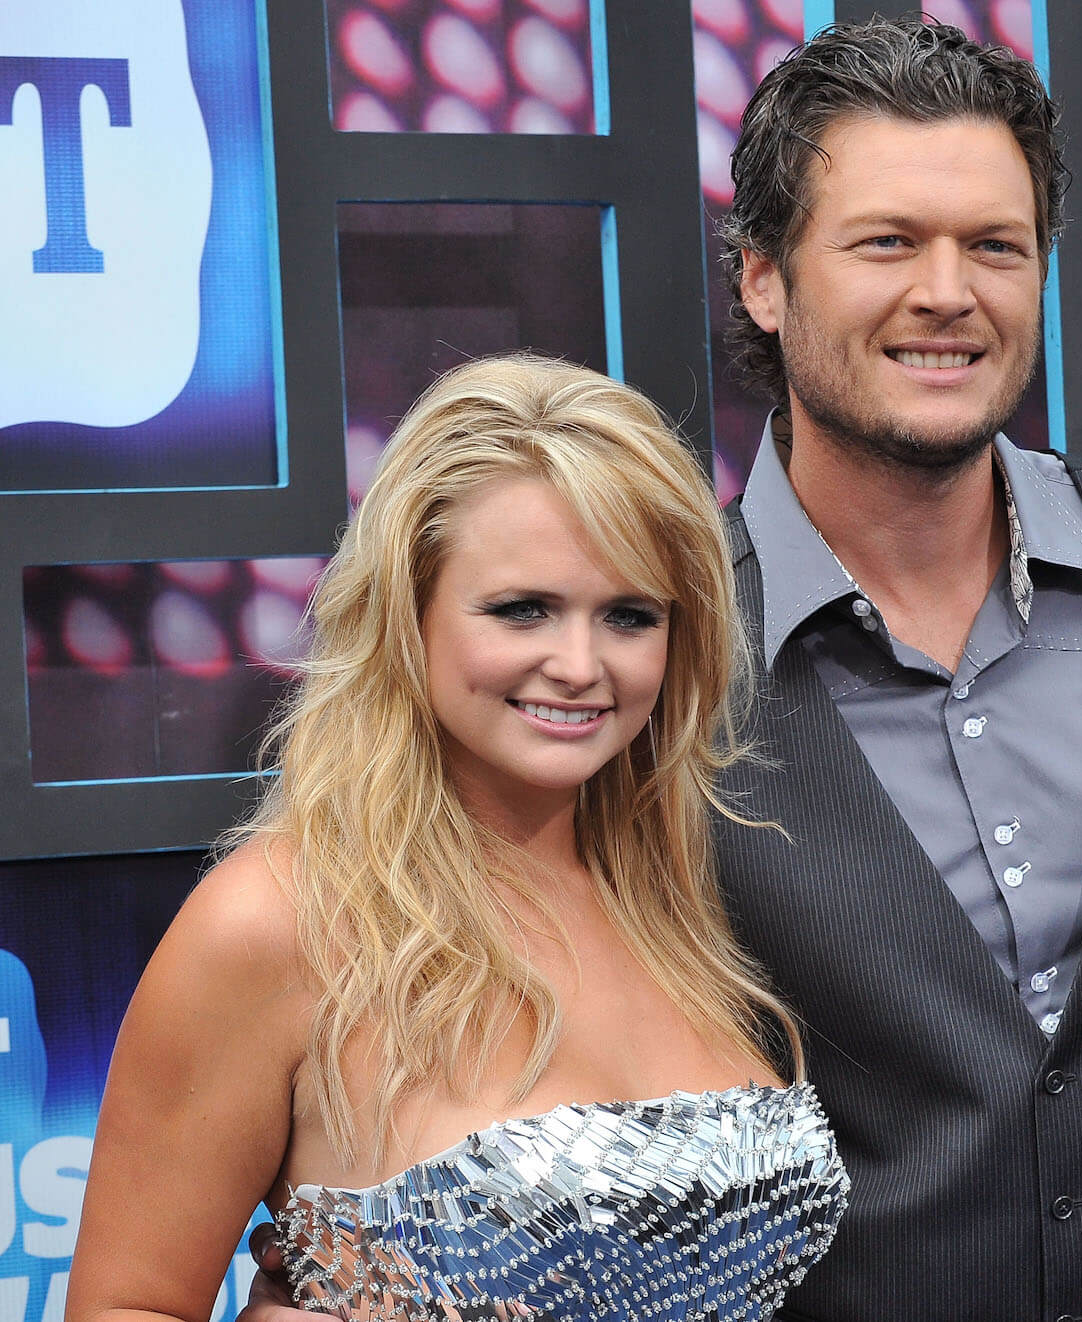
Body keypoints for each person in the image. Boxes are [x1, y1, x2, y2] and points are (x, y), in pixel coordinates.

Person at [242, 17, 1082, 1322]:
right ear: (763, 278)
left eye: (994, 245)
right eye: (887, 243)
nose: (949, 291)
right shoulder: (643, 648)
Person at [64, 356, 847, 1322]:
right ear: (410, 615)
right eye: (523, 608)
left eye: (629, 616)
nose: (578, 664)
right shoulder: (279, 921)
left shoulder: (677, 889)